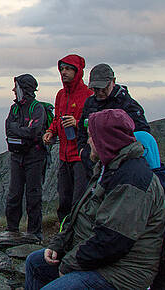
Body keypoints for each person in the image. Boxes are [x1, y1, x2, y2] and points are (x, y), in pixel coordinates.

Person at [25, 109, 165, 290]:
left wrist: (70, 263)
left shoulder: (131, 180)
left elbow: (113, 241)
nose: (88, 142)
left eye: (92, 137)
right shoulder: (108, 167)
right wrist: (60, 243)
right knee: (35, 263)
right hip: (100, 259)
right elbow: (80, 213)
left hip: (121, 273)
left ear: (106, 140)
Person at [42, 54, 92, 223]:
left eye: (69, 69)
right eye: (62, 69)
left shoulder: (88, 95)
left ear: (78, 72)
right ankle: (63, 234)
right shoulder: (60, 95)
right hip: (64, 156)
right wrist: (50, 132)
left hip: (80, 156)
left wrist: (78, 123)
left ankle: (77, 234)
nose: (64, 72)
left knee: (79, 198)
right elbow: (57, 119)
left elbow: (96, 123)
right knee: (64, 199)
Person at [78, 63, 151, 173]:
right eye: (96, 89)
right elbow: (82, 128)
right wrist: (82, 151)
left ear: (113, 81)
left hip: (118, 169)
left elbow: (142, 134)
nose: (100, 92)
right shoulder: (90, 103)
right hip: (92, 166)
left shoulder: (128, 105)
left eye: (104, 88)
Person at [5, 74, 49, 241]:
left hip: (35, 157)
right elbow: (8, 128)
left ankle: (34, 233)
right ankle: (12, 230)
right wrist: (23, 130)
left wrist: (18, 129)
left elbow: (34, 131)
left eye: (16, 88)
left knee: (33, 194)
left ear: (24, 89)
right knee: (14, 194)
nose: (13, 91)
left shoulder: (37, 108)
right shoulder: (14, 108)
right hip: (17, 156)